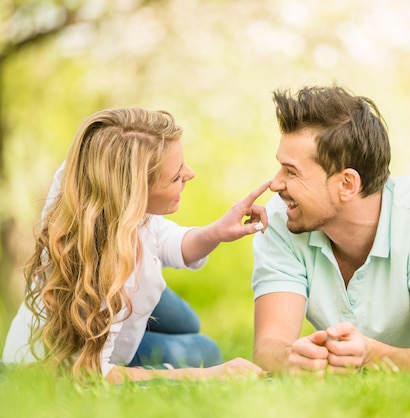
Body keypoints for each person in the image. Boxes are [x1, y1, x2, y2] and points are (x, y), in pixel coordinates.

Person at [3, 108, 269, 383]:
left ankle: (142, 345)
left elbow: (165, 239)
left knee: (187, 321)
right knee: (206, 353)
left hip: (131, 292)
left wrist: (218, 231)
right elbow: (88, 372)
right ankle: (149, 371)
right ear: (135, 192)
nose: (191, 174)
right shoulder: (104, 268)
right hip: (82, 350)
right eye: (176, 176)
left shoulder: (93, 176)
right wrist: (206, 376)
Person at [251, 85, 410, 376]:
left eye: (291, 171)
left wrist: (370, 355)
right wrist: (294, 359)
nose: (275, 184)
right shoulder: (280, 218)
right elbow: (269, 347)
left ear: (347, 184)